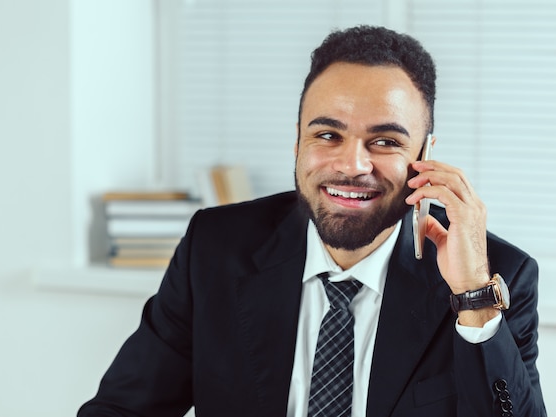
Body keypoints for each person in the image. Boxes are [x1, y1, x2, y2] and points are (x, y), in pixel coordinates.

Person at [78, 25, 546, 417]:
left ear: (424, 158)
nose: (352, 165)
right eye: (328, 134)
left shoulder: (499, 274)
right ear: (297, 143)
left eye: (384, 141)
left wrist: (473, 296)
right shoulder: (216, 248)